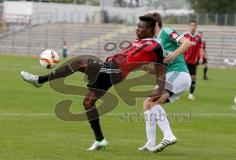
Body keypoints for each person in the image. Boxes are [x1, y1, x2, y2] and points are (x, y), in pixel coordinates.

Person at [20, 17, 167, 151]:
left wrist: (159, 89)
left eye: (141, 27)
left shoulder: (155, 46)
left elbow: (161, 70)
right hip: (110, 67)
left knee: (79, 62)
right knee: (88, 103)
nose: (137, 29)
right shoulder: (138, 40)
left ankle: (40, 80)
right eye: (137, 26)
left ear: (150, 30)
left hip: (115, 71)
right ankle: (100, 140)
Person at [137, 12, 192, 152]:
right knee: (148, 103)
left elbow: (187, 42)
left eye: (146, 25)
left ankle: (168, 135)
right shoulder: (155, 43)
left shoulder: (166, 31)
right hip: (172, 76)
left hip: (178, 73)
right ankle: (150, 143)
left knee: (152, 100)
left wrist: (175, 54)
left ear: (154, 25)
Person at [183, 20, 204, 100]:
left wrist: (201, 58)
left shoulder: (198, 37)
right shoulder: (185, 35)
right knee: (181, 77)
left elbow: (201, 48)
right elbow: (178, 45)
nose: (193, 27)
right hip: (184, 60)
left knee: (193, 77)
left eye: (194, 25)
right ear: (189, 26)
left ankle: (191, 94)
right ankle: (176, 92)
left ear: (196, 27)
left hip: (193, 61)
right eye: (191, 25)